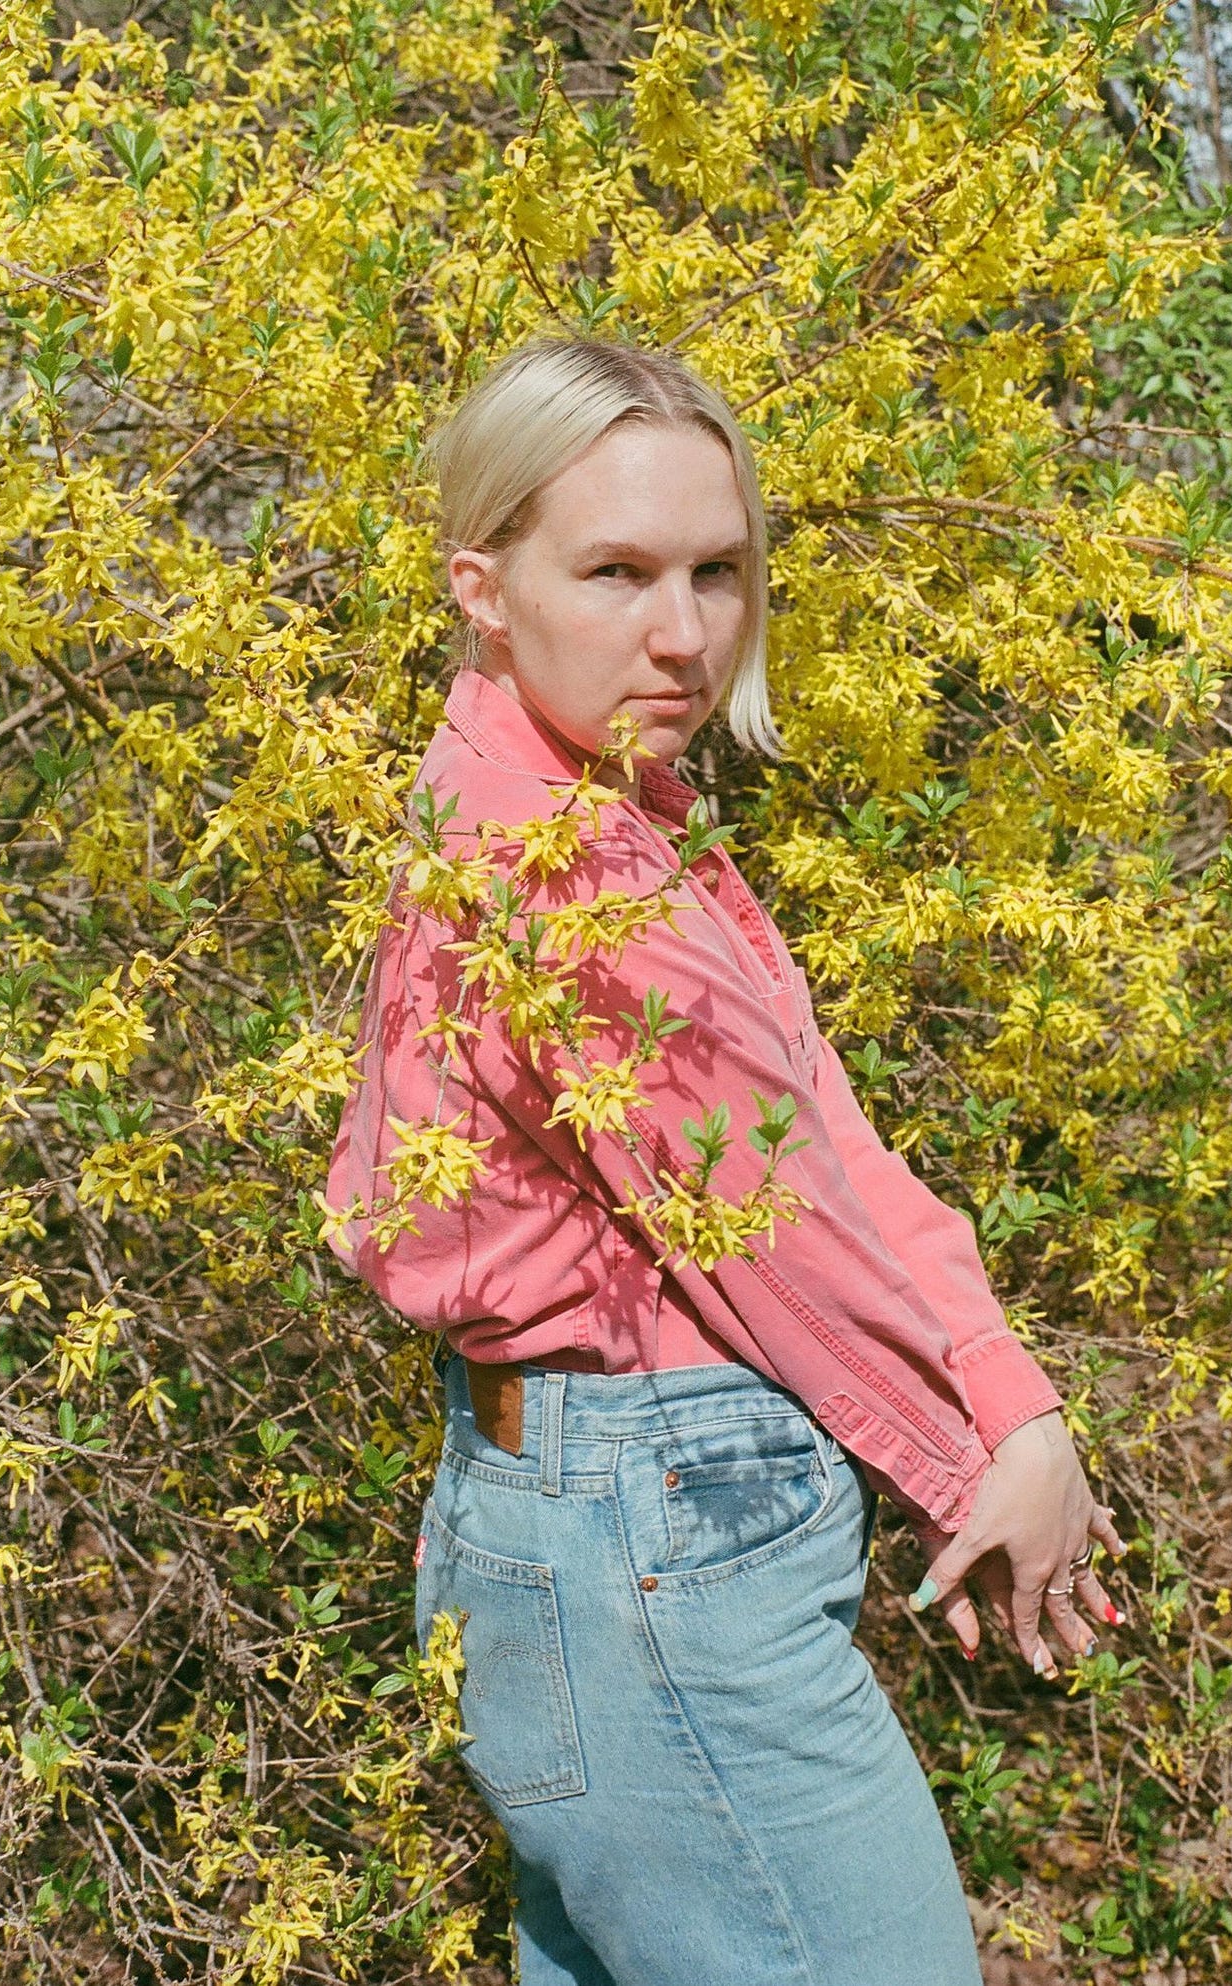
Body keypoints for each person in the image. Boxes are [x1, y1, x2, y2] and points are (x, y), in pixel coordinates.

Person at [323, 335, 1127, 1986]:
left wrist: (1011, 1391)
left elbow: (816, 1130)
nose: (682, 633)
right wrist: (986, 1455)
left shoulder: (592, 806)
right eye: (615, 571)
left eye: (717, 571)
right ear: (484, 584)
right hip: (650, 1549)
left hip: (601, 1528)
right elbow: (784, 1234)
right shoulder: (562, 873)